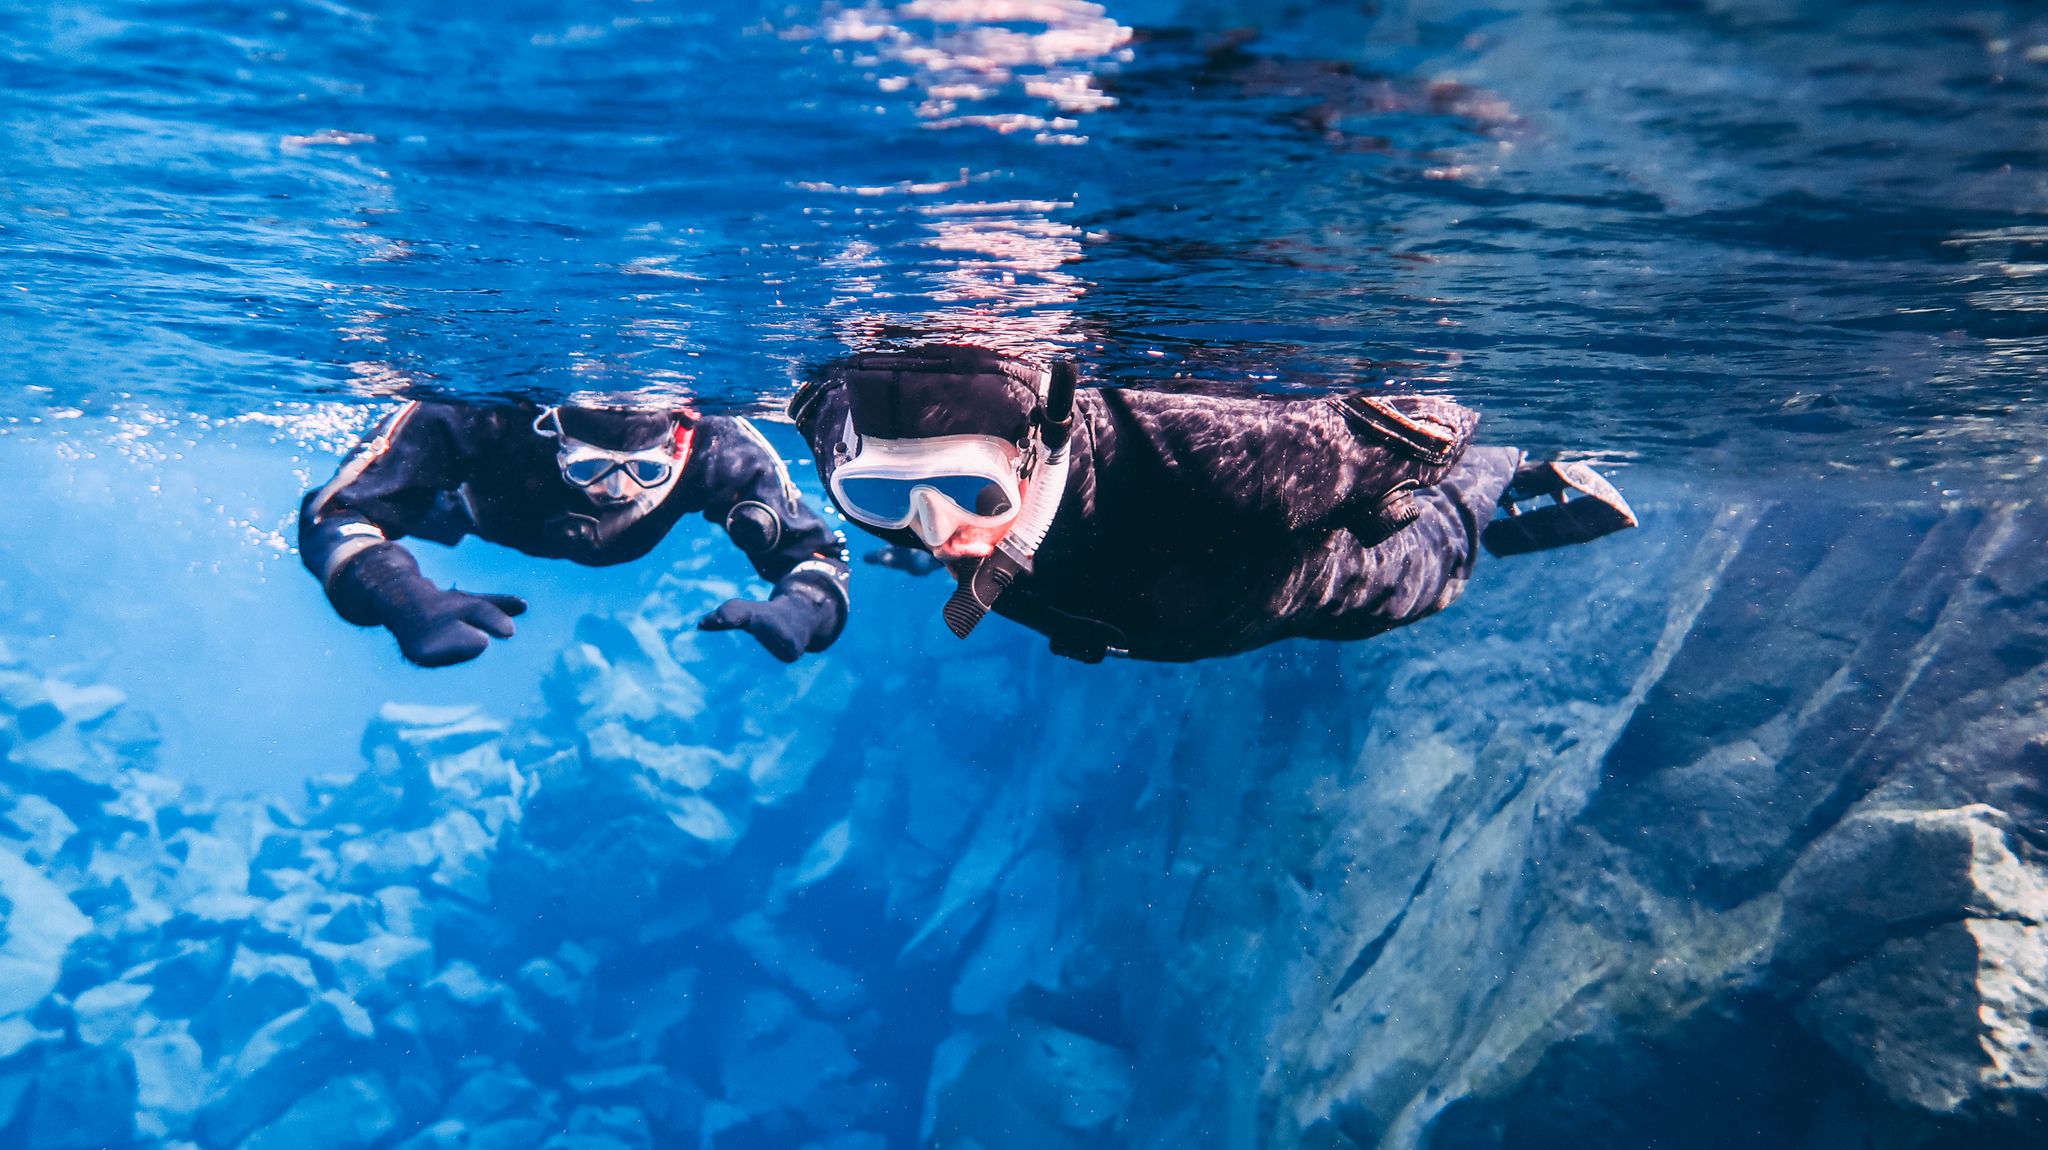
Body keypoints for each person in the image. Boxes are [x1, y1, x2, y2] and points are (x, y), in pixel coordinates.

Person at [789, 345, 1635, 663]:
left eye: (971, 491)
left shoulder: (1209, 457)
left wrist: (1387, 503)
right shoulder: (854, 440)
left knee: (1438, 558)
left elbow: (1429, 425)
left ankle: (1510, 485)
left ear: (1033, 446)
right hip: (1163, 615)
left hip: (1311, 581)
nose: (941, 531)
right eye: (881, 499)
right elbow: (819, 409)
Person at [301, 401, 851, 667]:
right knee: (417, 504)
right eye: (588, 469)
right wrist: (401, 595)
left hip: (506, 516)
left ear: (681, 442)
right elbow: (333, 514)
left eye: (645, 472)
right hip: (467, 509)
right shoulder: (479, 416)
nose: (613, 491)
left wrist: (802, 608)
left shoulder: (719, 446)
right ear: (550, 435)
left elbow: (820, 555)